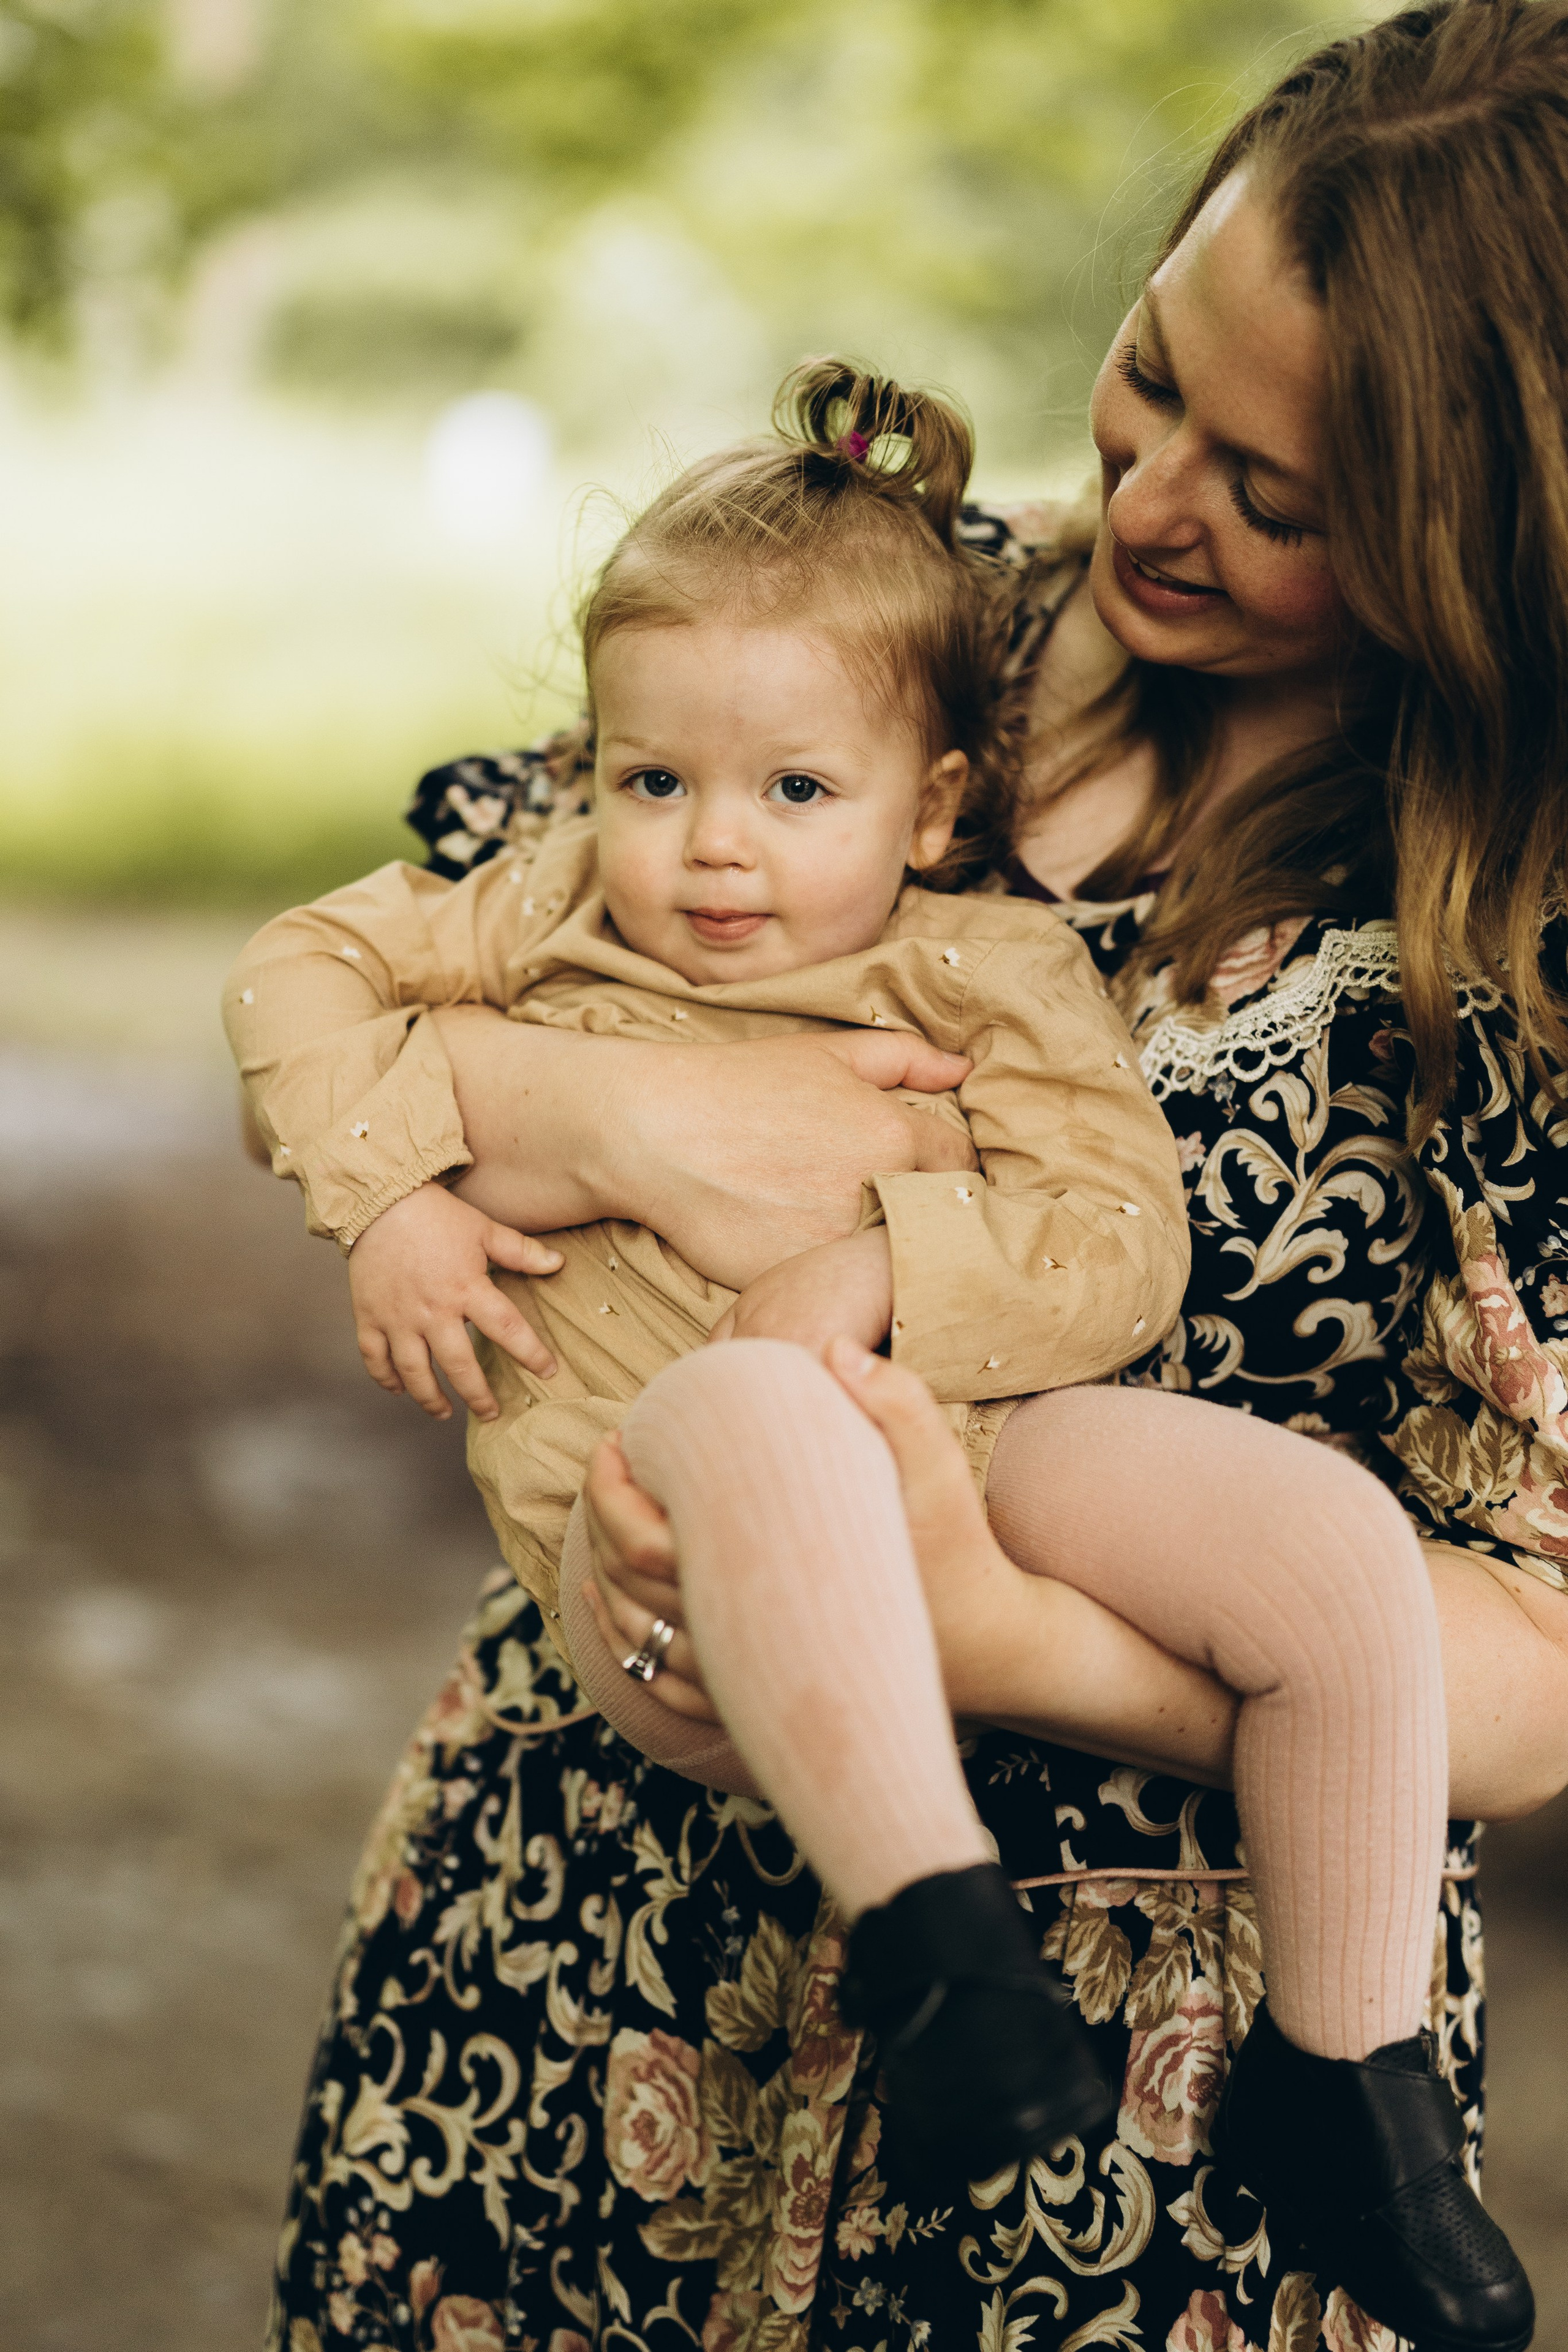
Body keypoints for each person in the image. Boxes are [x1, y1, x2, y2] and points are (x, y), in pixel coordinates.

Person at [260, 7, 1568, 2348]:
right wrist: (594, 1118)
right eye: (1152, 376)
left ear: (1483, 535)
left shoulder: (1515, 932)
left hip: (1141, 2090)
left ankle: (1318, 2093)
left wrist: (1002, 1632)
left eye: (1281, 498)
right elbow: (427, 954)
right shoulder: (896, 611)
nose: (1155, 505)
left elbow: (1552, 1648)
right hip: (599, 1958)